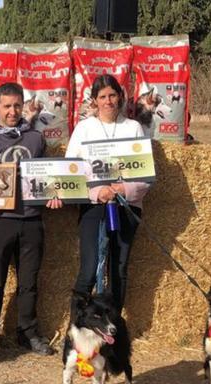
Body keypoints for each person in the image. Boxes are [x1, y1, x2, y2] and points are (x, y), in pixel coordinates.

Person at [0, 82, 60, 359]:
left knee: (28, 282)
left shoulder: (36, 139)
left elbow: (46, 177)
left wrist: (53, 195)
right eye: (6, 106)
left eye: (17, 105)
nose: (12, 111)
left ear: (24, 106)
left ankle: (27, 333)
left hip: (31, 220)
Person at [65, 74, 147, 315]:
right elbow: (70, 170)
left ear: (120, 97)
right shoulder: (84, 129)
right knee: (89, 269)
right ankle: (76, 326)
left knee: (118, 269)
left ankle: (113, 325)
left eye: (112, 95)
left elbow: (145, 175)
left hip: (126, 206)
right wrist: (96, 192)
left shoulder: (133, 127)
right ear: (94, 100)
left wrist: (124, 189)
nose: (108, 101)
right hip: (94, 206)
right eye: (102, 97)